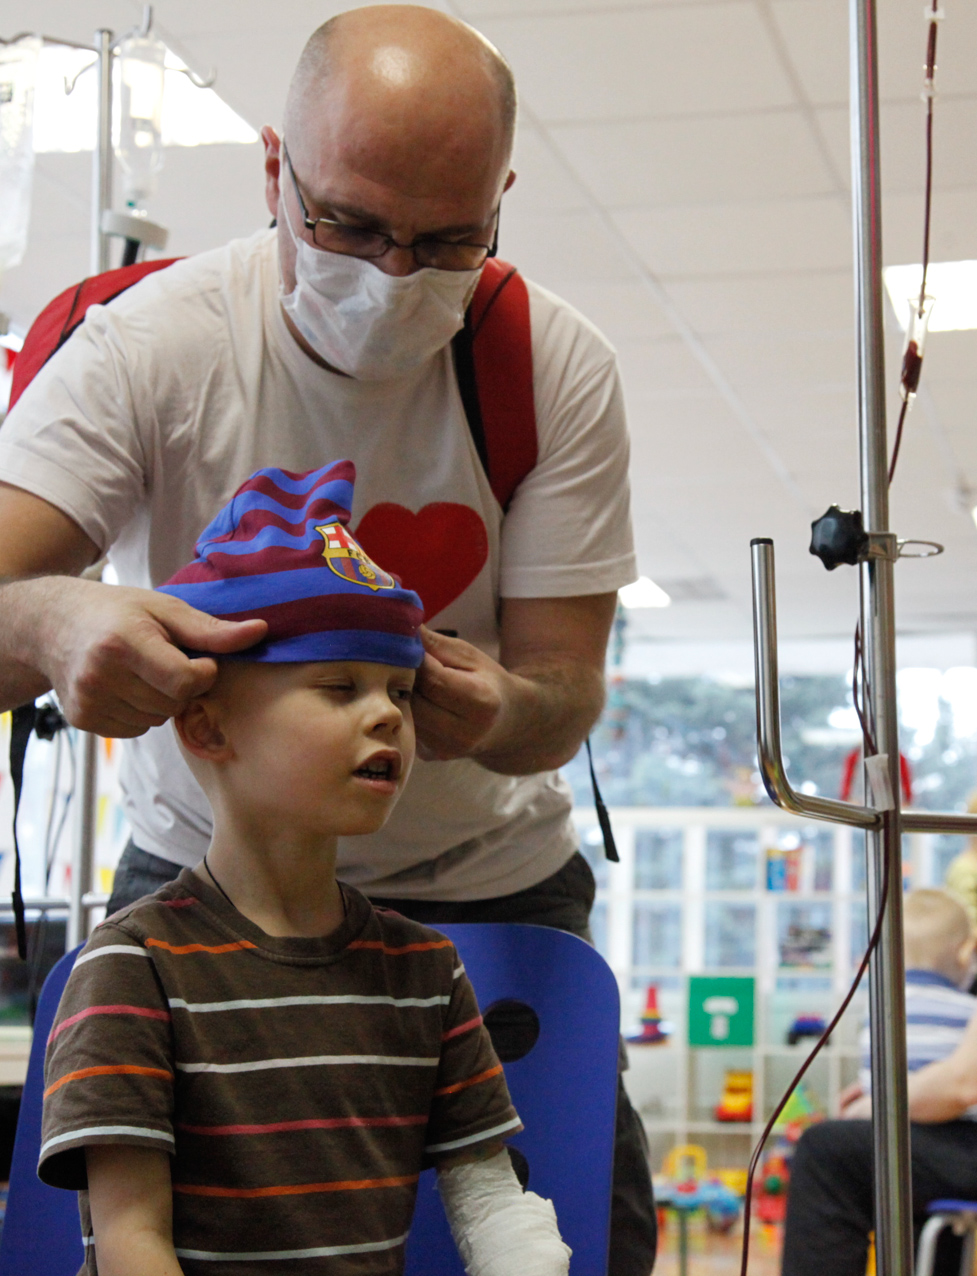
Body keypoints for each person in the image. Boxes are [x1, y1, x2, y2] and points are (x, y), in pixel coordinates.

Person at [0, 9, 652, 1270]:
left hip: (487, 887)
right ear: (270, 171)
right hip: (204, 880)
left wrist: (507, 712)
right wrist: (54, 612)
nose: (394, 273)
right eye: (348, 224)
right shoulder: (150, 348)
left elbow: (566, 691)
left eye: (448, 236)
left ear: (500, 200)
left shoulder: (551, 368)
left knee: (578, 1208)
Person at [41, 462, 572, 1276]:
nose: (387, 715)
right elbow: (130, 1240)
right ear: (207, 729)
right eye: (338, 686)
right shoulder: (134, 966)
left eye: (398, 690)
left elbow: (492, 1203)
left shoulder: (423, 970)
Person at [781, 889, 977, 1276]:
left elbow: (960, 1086)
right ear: (965, 952)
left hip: (947, 1139)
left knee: (826, 1151)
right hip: (953, 1137)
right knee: (905, 1179)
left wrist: (873, 1103)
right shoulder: (966, 1007)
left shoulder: (882, 1009)